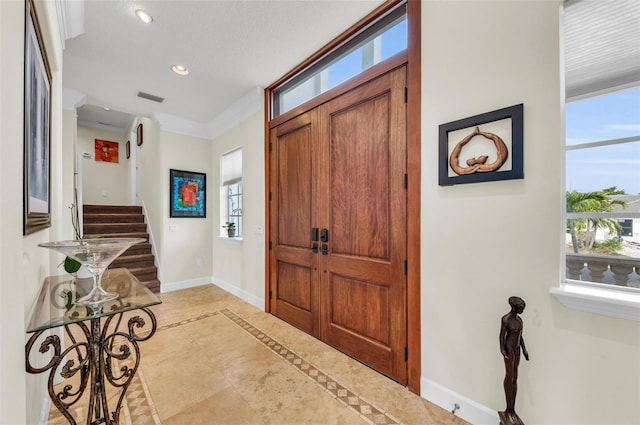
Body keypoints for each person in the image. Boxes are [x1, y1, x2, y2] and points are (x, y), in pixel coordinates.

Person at [499, 296, 529, 425]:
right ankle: (508, 409)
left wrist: (524, 350)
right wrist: (503, 351)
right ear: (514, 307)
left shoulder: (520, 320)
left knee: (515, 377)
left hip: (517, 351)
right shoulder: (506, 320)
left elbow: (520, 337)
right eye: (521, 308)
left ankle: (512, 410)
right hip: (509, 350)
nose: (522, 310)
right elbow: (501, 337)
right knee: (509, 376)